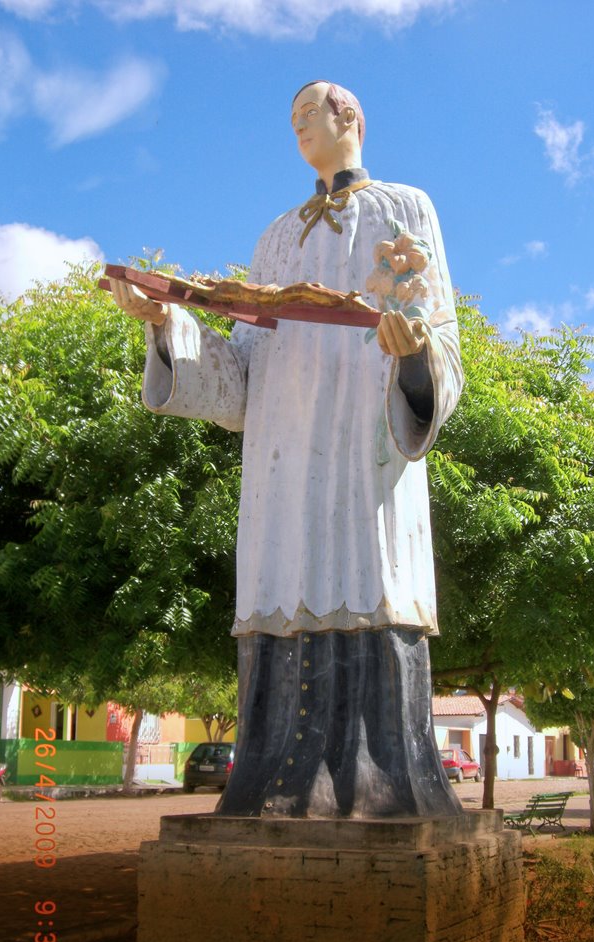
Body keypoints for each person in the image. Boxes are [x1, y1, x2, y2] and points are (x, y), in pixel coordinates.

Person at [110, 81, 464, 819]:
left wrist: (413, 352)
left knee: (367, 576)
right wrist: (167, 323)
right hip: (280, 462)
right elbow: (240, 379)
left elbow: (437, 331)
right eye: (293, 119)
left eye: (313, 113)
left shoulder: (405, 207)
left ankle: (387, 789)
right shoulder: (273, 238)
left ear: (353, 120)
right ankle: (269, 784)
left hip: (363, 446)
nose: (300, 127)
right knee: (283, 583)